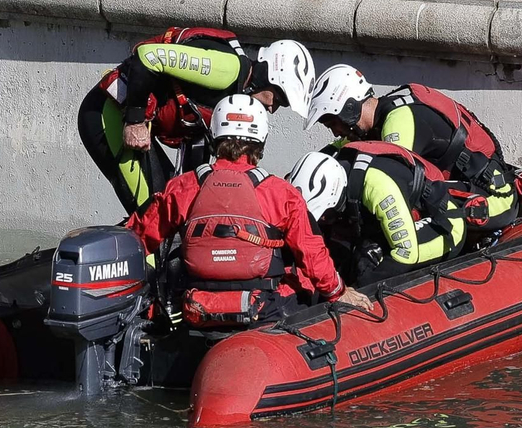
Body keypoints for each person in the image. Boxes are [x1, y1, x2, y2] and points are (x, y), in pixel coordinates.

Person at [126, 95, 375, 324]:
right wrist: (338, 291)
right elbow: (312, 254)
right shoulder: (281, 193)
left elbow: (138, 235)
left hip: (197, 311)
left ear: (215, 135)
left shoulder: (185, 186)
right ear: (261, 139)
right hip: (262, 313)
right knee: (304, 285)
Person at [79, 31, 316, 216]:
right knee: (152, 215)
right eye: (281, 99)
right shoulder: (228, 70)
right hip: (107, 115)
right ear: (271, 78)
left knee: (174, 207)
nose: (274, 109)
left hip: (136, 127)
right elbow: (148, 57)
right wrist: (135, 121)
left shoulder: (234, 101)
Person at [308, 66, 520, 239]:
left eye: (333, 123)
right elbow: (340, 149)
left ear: (350, 109)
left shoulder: (397, 123)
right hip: (476, 184)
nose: (336, 131)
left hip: (494, 201)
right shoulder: (386, 112)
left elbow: (401, 189)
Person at [287, 143, 465, 285]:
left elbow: (406, 252)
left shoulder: (377, 187)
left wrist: (359, 289)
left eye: (325, 215)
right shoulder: (334, 166)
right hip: (396, 222)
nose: (324, 220)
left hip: (444, 224)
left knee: (368, 259)